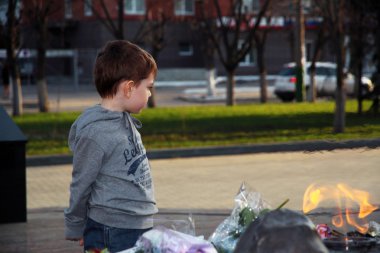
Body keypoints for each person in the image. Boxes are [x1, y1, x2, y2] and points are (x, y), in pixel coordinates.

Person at [64, 40, 158, 252]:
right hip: (112, 230)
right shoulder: (95, 132)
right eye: (149, 87)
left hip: (137, 224)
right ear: (129, 88)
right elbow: (81, 182)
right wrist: (76, 225)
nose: (150, 94)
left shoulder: (123, 120)